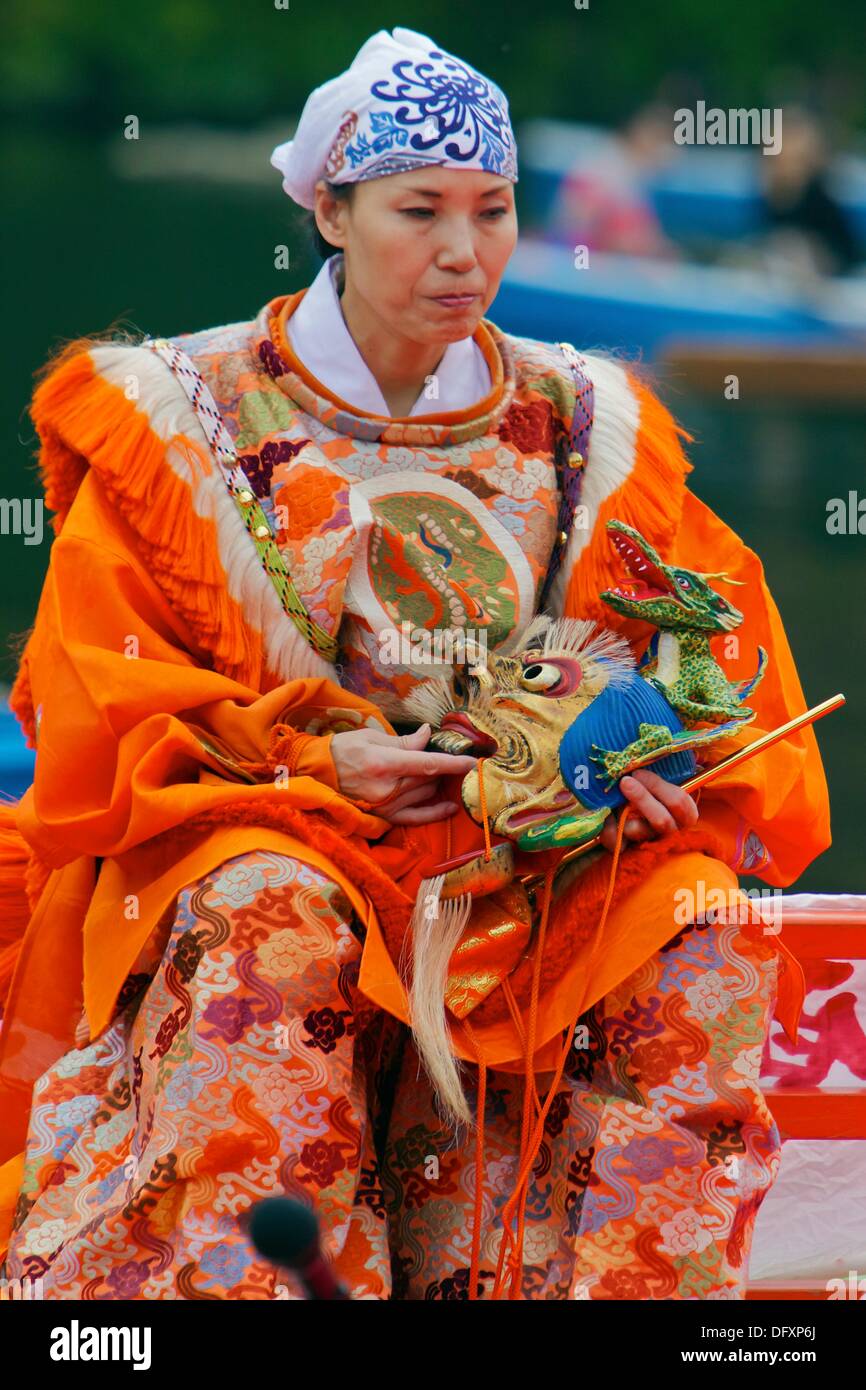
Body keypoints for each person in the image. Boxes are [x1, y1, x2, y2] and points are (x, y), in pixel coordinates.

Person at [0, 27, 830, 1301]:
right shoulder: (187, 414)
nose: (464, 250)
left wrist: (652, 760)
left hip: (518, 846)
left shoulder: (581, 422)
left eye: (492, 210)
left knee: (697, 924)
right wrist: (313, 758)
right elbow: (98, 683)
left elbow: (700, 642)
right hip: (269, 821)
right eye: (418, 210)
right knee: (269, 915)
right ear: (328, 210)